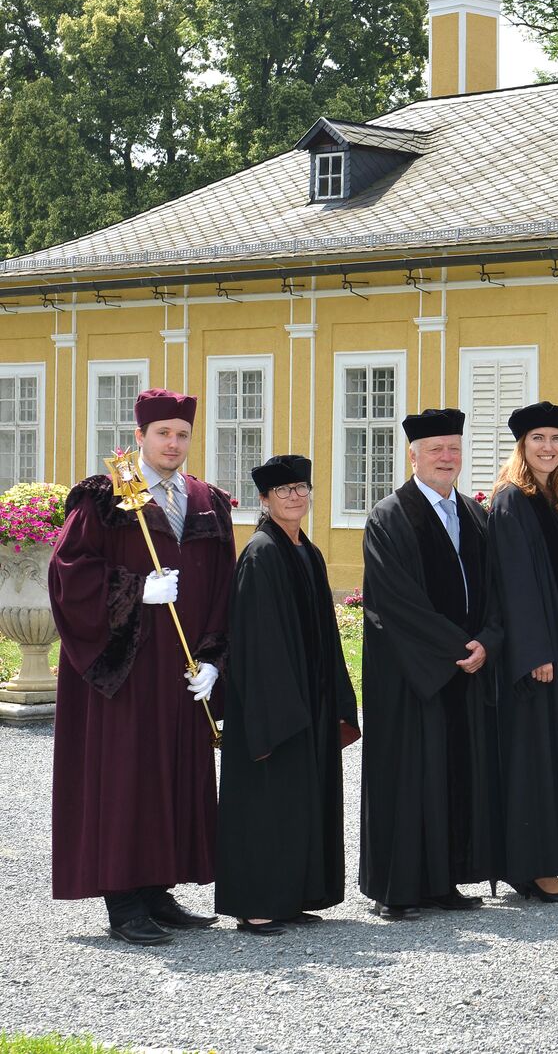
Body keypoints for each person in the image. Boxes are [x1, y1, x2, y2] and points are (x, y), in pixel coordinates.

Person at [49, 388, 233, 947]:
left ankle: (157, 889)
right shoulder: (106, 497)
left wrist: (214, 659)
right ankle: (123, 900)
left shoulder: (206, 500)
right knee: (126, 776)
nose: (173, 443)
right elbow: (68, 571)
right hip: (125, 669)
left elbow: (224, 586)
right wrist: (132, 590)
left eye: (182, 434)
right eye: (163, 433)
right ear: (140, 437)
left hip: (181, 668)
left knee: (172, 774)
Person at [360, 408, 502, 920]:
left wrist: (488, 641)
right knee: (407, 776)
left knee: (454, 776)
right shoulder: (389, 516)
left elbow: (496, 591)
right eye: (436, 449)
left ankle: (444, 881)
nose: (447, 457)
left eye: (454, 448)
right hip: (409, 672)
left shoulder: (475, 515)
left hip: (465, 669)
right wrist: (457, 648)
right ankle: (396, 888)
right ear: (413, 456)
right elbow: (394, 602)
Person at [216, 455, 360, 935]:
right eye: (283, 490)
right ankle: (256, 902)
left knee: (300, 802)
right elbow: (257, 641)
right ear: (264, 499)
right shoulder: (261, 554)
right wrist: (280, 708)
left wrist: (334, 698)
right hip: (273, 704)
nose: (295, 497)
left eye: (301, 488)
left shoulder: (306, 551)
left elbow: (326, 634)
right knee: (267, 802)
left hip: (309, 698)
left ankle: (293, 896)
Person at [487, 401, 558, 903]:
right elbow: (514, 583)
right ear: (522, 446)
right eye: (538, 439)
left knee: (557, 753)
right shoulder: (513, 500)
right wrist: (534, 652)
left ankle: (548, 860)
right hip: (536, 652)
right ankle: (533, 867)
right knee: (534, 756)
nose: (548, 448)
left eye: (555, 439)